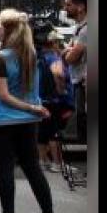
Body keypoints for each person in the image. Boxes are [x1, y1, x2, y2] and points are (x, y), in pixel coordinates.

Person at [0, 9, 63, 213]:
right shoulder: (30, 54)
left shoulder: (1, 58)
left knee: (5, 169)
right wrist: (33, 109)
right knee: (33, 168)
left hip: (2, 120)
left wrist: (31, 108)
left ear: (5, 29)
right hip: (28, 121)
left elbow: (3, 96)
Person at [36, 29, 73, 172]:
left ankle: (42, 161)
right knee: (54, 132)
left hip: (41, 100)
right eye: (59, 42)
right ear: (53, 43)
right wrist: (62, 89)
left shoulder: (38, 57)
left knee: (43, 132)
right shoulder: (53, 58)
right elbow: (58, 74)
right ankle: (57, 163)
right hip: (54, 100)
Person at [61, 0, 86, 143]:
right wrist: (70, 50)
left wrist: (69, 51)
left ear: (81, 7)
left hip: (84, 83)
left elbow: (70, 58)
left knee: (83, 120)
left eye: (68, 5)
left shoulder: (86, 30)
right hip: (78, 81)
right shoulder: (79, 28)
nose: (65, 9)